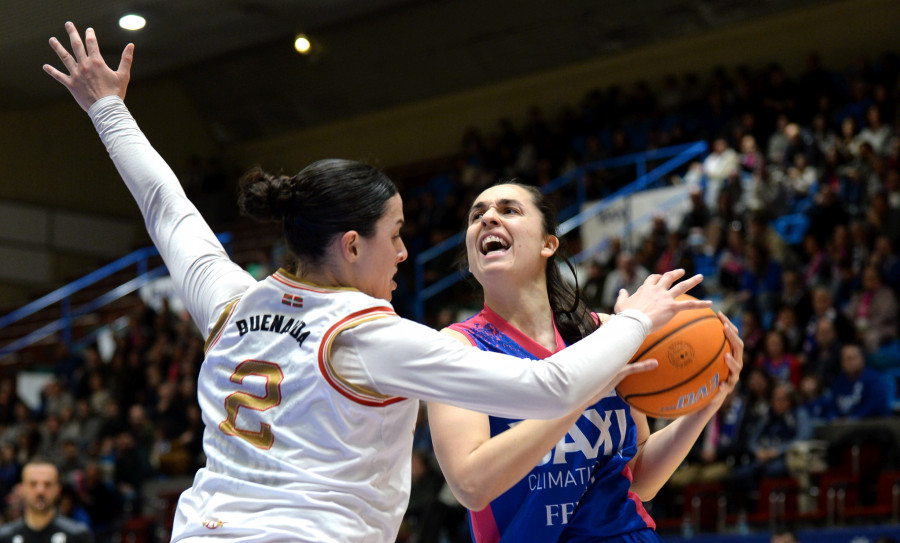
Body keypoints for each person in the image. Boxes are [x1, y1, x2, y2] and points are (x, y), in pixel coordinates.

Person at [44, 23, 711, 542]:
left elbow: (167, 210)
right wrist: (639, 316)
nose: (404, 251)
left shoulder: (230, 298)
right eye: (394, 233)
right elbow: (549, 387)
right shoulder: (371, 339)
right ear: (352, 242)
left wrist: (108, 110)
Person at [427, 182, 743, 542]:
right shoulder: (457, 348)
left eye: (508, 210)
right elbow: (471, 485)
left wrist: (704, 406)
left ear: (549, 243)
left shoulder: (606, 332)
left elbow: (640, 477)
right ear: (470, 258)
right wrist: (581, 391)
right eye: (477, 215)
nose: (488, 219)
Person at [0, 459, 93, 543]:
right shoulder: (5, 537)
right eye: (33, 484)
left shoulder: (77, 536)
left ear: (58, 489)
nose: (40, 490)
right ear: (22, 488)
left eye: (47, 484)